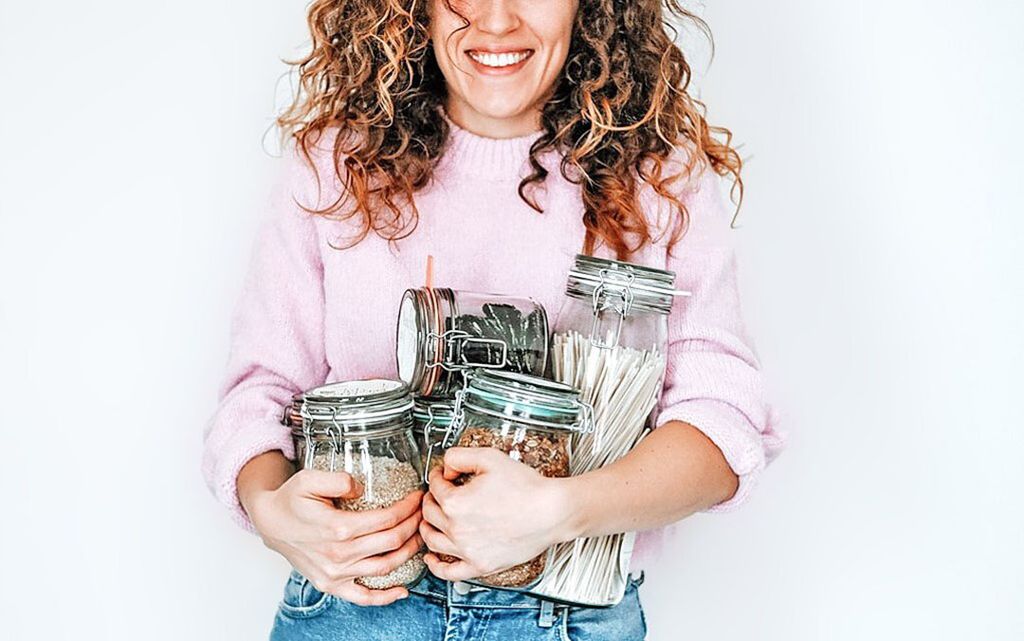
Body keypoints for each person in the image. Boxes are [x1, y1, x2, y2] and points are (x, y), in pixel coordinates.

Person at [201, 1, 783, 639]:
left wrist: (562, 510)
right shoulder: (337, 165)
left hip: (569, 613)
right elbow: (260, 392)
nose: (497, 20)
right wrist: (271, 509)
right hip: (358, 609)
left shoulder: (656, 179)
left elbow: (722, 420)